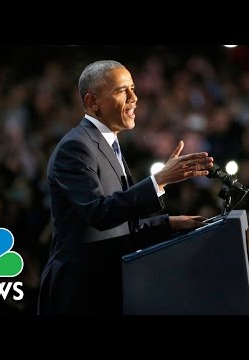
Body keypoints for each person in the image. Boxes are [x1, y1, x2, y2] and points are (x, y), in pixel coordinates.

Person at [37, 60, 214, 315]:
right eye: (122, 91)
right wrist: (160, 180)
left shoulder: (110, 145)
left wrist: (170, 223)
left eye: (132, 88)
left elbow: (122, 229)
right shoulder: (75, 148)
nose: (134, 98)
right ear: (92, 102)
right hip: (80, 295)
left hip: (108, 289)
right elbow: (100, 214)